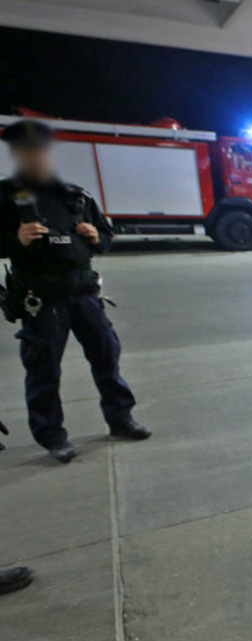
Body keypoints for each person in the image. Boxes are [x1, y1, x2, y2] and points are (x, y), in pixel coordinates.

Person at [0, 119, 149, 463]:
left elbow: (106, 236)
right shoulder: (7, 197)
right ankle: (52, 435)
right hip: (41, 298)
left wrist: (97, 237)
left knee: (106, 358)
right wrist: (15, 239)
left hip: (84, 293)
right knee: (44, 370)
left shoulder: (75, 195)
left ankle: (120, 418)